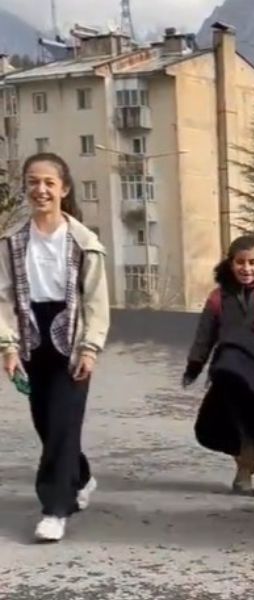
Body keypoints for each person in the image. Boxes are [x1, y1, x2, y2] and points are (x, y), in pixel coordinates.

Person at [0, 152, 110, 542]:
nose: (40, 189)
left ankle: (54, 508)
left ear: (64, 189)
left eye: (49, 182)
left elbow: (96, 301)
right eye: (33, 181)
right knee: (46, 424)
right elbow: (4, 297)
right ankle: (80, 476)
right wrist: (8, 347)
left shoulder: (84, 242)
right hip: (32, 338)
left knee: (64, 422)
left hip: (72, 339)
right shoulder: (12, 241)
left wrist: (90, 347)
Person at [183, 235, 254, 497]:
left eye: (252, 262)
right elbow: (205, 334)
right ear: (230, 263)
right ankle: (244, 468)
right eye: (240, 262)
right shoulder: (219, 298)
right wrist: (195, 364)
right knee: (240, 423)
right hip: (232, 374)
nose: (246, 268)